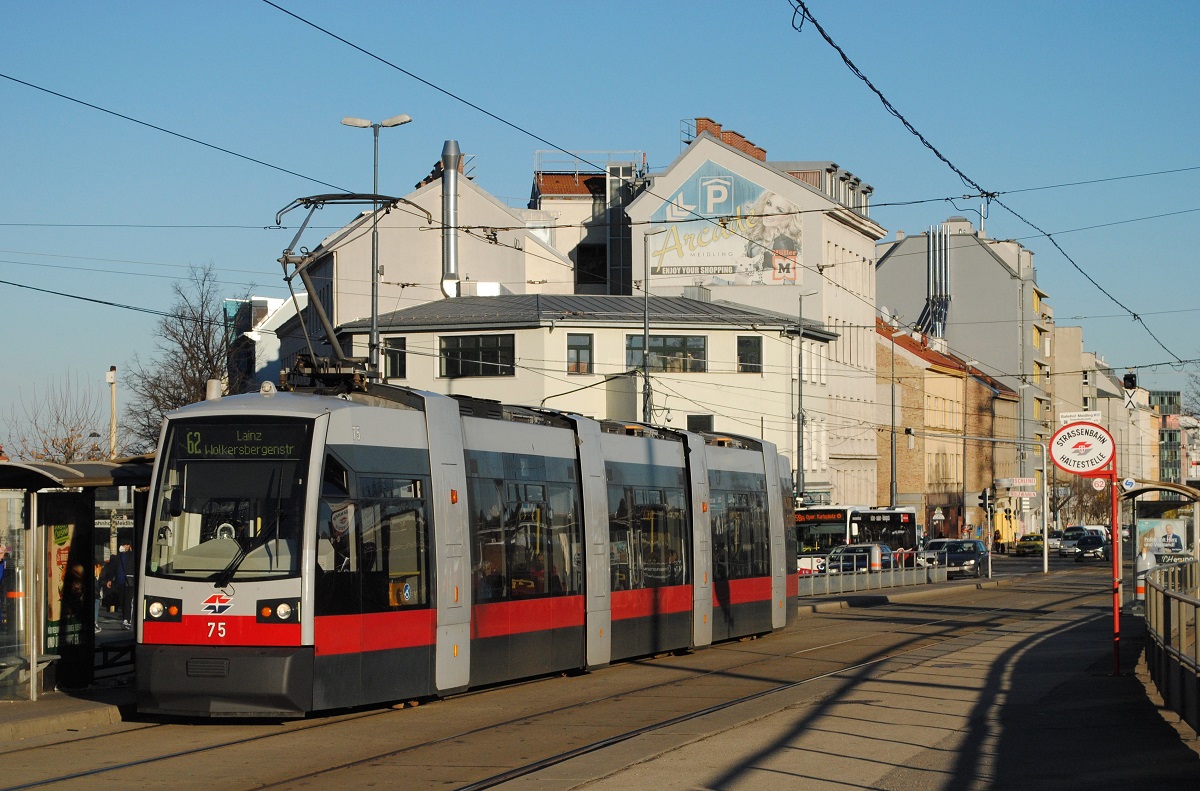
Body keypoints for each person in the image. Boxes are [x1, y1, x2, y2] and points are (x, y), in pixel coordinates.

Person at [742, 190, 803, 284]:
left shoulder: (783, 243)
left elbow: (787, 283)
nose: (769, 212)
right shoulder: (753, 243)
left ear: (788, 217)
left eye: (779, 210)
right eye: (769, 204)